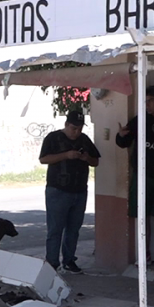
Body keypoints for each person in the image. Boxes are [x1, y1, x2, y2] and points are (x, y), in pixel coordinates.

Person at [115, 85, 154, 269]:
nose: (147, 105)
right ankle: (145, 253)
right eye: (145, 101)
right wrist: (121, 136)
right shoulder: (139, 121)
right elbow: (123, 143)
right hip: (142, 178)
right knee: (143, 216)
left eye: (150, 101)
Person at [39, 110, 101, 273]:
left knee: (73, 229)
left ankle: (69, 260)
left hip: (79, 190)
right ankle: (52, 262)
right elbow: (43, 159)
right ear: (66, 125)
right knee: (55, 229)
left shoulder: (84, 140)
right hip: (58, 190)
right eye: (74, 128)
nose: (77, 132)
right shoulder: (53, 138)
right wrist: (66, 155)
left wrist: (86, 158)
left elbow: (96, 161)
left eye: (80, 128)